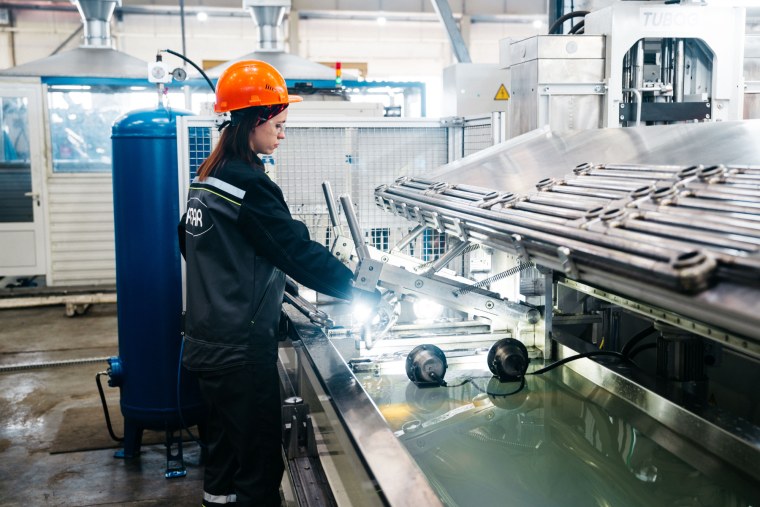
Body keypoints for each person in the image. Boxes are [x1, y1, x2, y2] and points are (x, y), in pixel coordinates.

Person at [178, 60, 363, 507]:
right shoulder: (248, 183)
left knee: (223, 459)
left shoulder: (207, 177)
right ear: (255, 120)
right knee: (260, 468)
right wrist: (359, 289)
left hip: (205, 342)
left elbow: (195, 244)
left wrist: (270, 283)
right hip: (240, 352)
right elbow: (293, 249)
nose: (282, 134)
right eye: (278, 125)